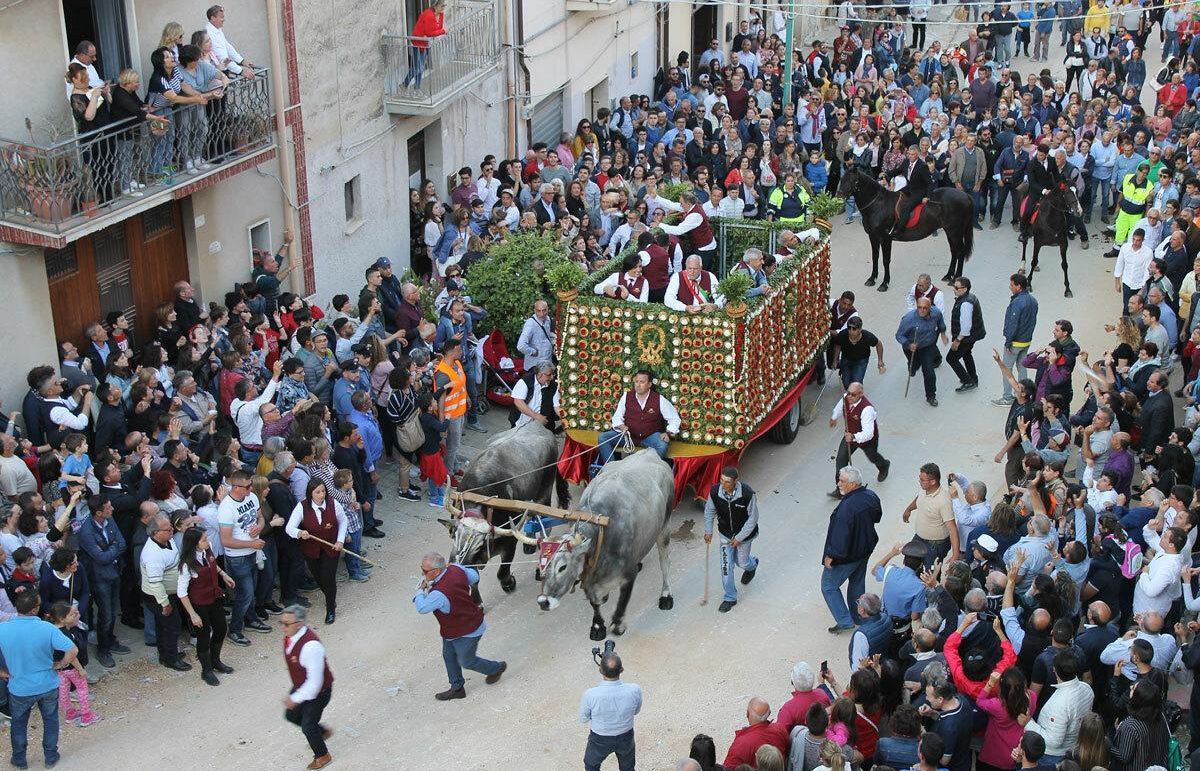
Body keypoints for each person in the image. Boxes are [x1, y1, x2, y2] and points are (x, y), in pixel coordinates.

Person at [413, 552, 506, 700]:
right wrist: (456, 567)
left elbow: (422, 607)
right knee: (449, 655)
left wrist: (419, 590)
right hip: (457, 627)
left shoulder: (439, 593)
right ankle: (457, 688)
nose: (422, 573)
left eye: (424, 571)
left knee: (466, 661)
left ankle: (496, 668)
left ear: (437, 571)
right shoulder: (456, 568)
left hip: (468, 631)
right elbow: (474, 577)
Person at [0, 592, 77, 770]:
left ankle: (19, 760)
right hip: (47, 684)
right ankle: (50, 756)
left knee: (18, 724)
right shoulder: (47, 628)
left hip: (19, 687)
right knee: (50, 720)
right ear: (35, 609)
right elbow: (72, 650)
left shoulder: (3, 629)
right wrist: (61, 664)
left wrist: (2, 672)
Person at [822, 466, 883, 633]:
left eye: (842, 481)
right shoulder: (871, 496)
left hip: (846, 556)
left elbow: (840, 536)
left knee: (828, 586)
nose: (839, 483)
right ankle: (858, 616)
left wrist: (831, 556)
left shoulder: (847, 507)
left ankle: (845, 621)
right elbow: (877, 516)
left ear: (854, 484)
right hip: (864, 549)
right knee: (856, 583)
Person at [176, 526, 234, 687]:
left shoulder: (207, 552)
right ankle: (206, 670)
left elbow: (213, 565)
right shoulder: (187, 564)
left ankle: (216, 661)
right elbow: (182, 593)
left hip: (213, 598)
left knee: (221, 629)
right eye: (203, 539)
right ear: (194, 544)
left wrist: (224, 574)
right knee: (203, 636)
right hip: (199, 604)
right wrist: (192, 614)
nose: (207, 541)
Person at [218, 468, 270, 647]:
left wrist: (259, 527)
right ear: (236, 487)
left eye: (251, 486)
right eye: (248, 486)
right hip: (237, 557)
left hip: (252, 553)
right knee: (245, 593)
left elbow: (260, 517)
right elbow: (225, 540)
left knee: (251, 590)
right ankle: (234, 629)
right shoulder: (226, 508)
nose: (250, 490)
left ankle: (251, 619)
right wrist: (251, 544)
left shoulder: (252, 497)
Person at [280, 604, 334, 770]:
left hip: (319, 692)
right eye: (281, 623)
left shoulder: (311, 646)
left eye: (286, 624)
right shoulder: (293, 636)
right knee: (291, 715)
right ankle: (322, 732)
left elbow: (314, 684)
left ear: (299, 623)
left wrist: (295, 698)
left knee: (308, 726)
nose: (282, 628)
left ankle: (322, 755)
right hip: (303, 685)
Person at [286, 479, 347, 625]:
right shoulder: (302, 507)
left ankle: (330, 608)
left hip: (331, 547)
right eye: (318, 492)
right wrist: (300, 532)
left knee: (328, 577)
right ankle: (330, 596)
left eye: (323, 491)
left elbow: (343, 521)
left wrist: (340, 541)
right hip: (311, 549)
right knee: (319, 577)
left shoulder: (333, 504)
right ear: (310, 493)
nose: (321, 495)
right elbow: (289, 528)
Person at [703, 467, 760, 613]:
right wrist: (708, 530)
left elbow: (753, 519)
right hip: (725, 535)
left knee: (742, 562)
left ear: (736, 481)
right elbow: (709, 511)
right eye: (721, 480)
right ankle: (730, 597)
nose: (723, 484)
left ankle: (752, 566)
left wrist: (739, 538)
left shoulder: (747, 494)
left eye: (727, 482)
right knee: (726, 567)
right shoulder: (715, 492)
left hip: (745, 536)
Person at [141, 511, 190, 671]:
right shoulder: (152, 554)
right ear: (156, 533)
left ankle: (166, 654)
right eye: (168, 530)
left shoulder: (167, 541)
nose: (172, 532)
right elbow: (155, 583)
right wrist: (164, 603)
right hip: (157, 596)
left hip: (169, 592)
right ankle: (171, 658)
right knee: (172, 625)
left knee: (163, 625)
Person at [596, 369, 679, 465]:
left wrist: (668, 433)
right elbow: (617, 417)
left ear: (649, 384)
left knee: (662, 444)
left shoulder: (659, 399)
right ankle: (611, 467)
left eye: (642, 382)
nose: (638, 385)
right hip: (628, 436)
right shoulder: (627, 396)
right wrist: (622, 427)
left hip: (650, 437)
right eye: (636, 381)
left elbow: (674, 418)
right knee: (603, 438)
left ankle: (647, 470)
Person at [580, 650, 642, 771]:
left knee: (591, 765)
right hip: (626, 736)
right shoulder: (634, 690)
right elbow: (636, 711)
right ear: (622, 669)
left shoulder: (591, 694)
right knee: (628, 767)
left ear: (600, 670)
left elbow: (584, 718)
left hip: (599, 738)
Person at [830, 382, 890, 491]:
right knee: (841, 460)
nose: (849, 396)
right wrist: (834, 417)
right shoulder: (846, 398)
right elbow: (839, 407)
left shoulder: (867, 409)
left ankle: (884, 465)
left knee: (872, 457)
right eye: (848, 393)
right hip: (850, 434)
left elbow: (868, 433)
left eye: (853, 394)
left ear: (861, 394)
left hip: (866, 440)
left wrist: (853, 437)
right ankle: (841, 488)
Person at [902, 462, 959, 565]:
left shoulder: (943, 501)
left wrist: (955, 555)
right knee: (911, 567)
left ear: (933, 481)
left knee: (930, 575)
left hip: (935, 546)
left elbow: (952, 528)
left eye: (922, 480)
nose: (919, 482)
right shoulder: (924, 489)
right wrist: (909, 509)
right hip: (919, 539)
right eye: (920, 478)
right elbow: (919, 498)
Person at [895, 297, 948, 407]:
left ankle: (931, 396)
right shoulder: (909, 319)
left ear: (930, 308)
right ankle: (912, 366)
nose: (922, 310)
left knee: (929, 372)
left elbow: (941, 323)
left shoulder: (936, 313)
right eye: (919, 307)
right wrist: (908, 344)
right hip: (911, 347)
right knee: (914, 364)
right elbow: (899, 335)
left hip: (927, 347)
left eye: (925, 308)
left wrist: (943, 333)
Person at [996, 273, 1038, 406]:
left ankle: (1007, 397)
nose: (1010, 286)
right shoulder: (1033, 300)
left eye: (1012, 284)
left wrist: (1008, 341)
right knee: (1022, 367)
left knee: (1006, 368)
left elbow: (1013, 323)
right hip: (1026, 341)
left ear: (1019, 286)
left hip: (1015, 342)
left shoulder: (1018, 302)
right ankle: (1024, 395)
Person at [723, 697, 789, 768]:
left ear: (747, 714)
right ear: (769, 713)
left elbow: (728, 768)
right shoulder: (781, 729)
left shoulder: (741, 744)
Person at [946, 277, 985, 392]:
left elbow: (966, 327)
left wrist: (957, 341)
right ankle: (973, 378)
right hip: (973, 335)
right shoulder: (969, 298)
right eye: (954, 286)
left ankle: (968, 382)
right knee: (967, 354)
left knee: (951, 358)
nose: (954, 289)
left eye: (957, 287)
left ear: (965, 289)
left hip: (966, 337)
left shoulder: (965, 304)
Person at [829, 317, 886, 389]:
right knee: (846, 383)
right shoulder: (843, 334)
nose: (850, 331)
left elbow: (878, 344)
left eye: (854, 329)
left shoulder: (867, 337)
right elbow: (838, 345)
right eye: (849, 328)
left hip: (861, 361)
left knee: (856, 383)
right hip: (846, 359)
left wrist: (880, 360)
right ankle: (843, 370)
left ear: (860, 329)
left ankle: (857, 395)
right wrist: (835, 360)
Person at [516, 300, 555, 370]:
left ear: (548, 309)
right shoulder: (530, 324)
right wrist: (533, 352)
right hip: (535, 367)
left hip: (547, 364)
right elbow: (521, 346)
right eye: (538, 311)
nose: (542, 314)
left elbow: (548, 337)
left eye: (544, 310)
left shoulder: (548, 319)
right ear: (534, 310)